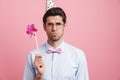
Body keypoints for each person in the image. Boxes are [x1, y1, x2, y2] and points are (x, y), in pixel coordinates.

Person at [23, 7, 89, 80]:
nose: (54, 28)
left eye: (58, 24)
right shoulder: (33, 55)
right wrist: (39, 75)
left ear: (64, 25)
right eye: (50, 24)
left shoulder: (78, 55)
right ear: (44, 27)